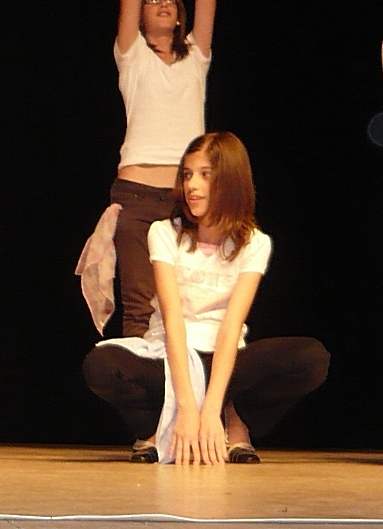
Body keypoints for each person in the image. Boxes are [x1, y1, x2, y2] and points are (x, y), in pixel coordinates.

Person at [83, 133, 329, 464]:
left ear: (230, 180)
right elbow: (173, 321)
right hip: (172, 355)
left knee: (310, 358)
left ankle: (233, 421)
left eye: (205, 175)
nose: (192, 185)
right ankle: (155, 429)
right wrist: (187, 408)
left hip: (222, 360)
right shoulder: (164, 232)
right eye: (187, 174)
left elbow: (230, 327)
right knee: (102, 365)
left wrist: (211, 409)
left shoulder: (255, 243)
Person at [110, 0, 234, 338]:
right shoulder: (132, 55)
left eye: (169, 0)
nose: (162, 2)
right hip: (136, 195)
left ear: (180, 15)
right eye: (153, 0)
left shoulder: (196, 57)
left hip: (190, 194)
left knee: (192, 308)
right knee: (140, 310)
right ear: (140, 16)